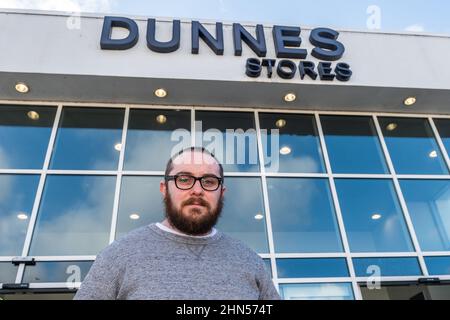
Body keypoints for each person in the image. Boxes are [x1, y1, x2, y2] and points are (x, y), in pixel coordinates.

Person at [74, 147, 280, 300]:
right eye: (184, 179)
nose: (197, 190)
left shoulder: (249, 260)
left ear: (221, 192)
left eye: (209, 181)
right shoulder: (119, 255)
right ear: (164, 188)